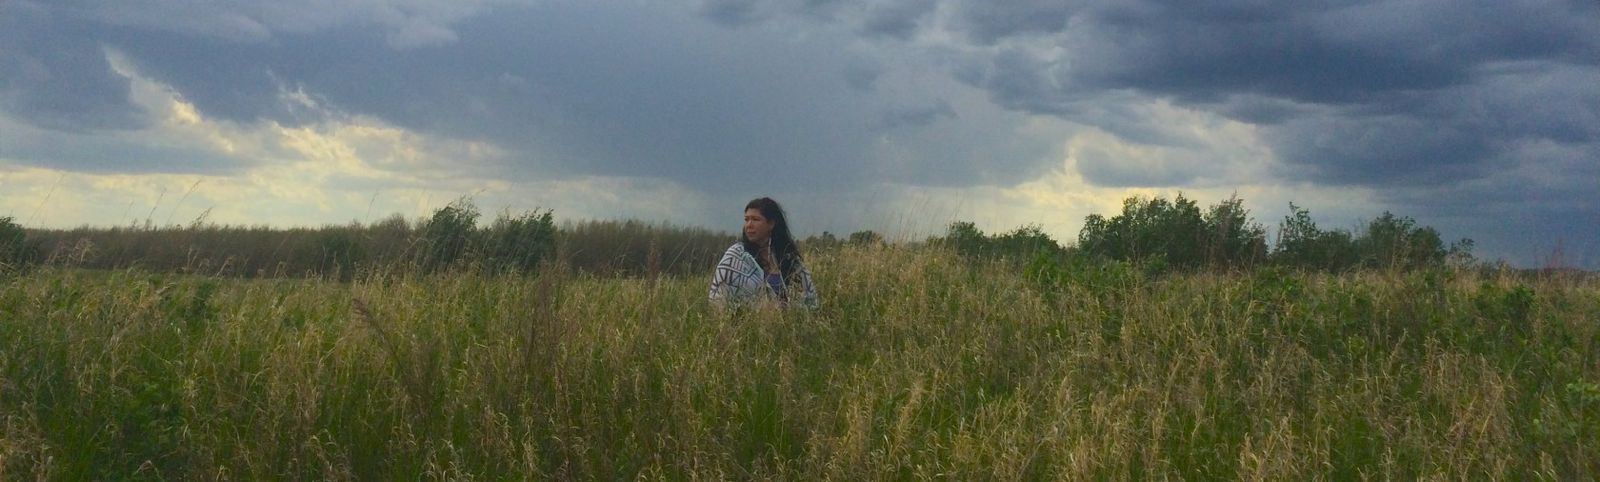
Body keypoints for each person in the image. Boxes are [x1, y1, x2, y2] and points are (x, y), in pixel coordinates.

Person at [708, 197, 818, 310]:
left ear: (771, 224)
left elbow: (809, 300)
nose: (749, 225)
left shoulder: (788, 258)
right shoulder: (735, 257)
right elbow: (718, 301)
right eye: (746, 219)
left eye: (755, 219)